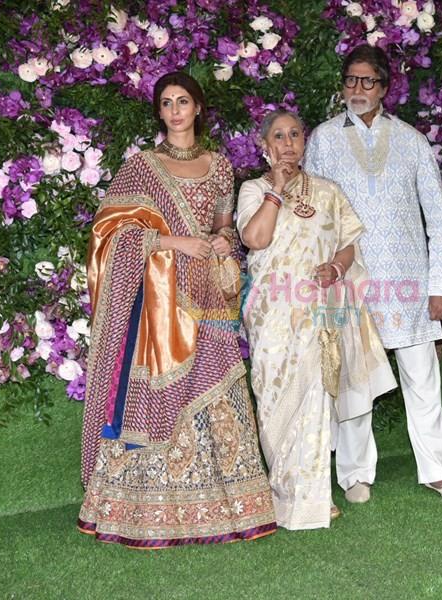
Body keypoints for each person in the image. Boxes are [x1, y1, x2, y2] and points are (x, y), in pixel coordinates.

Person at [78, 71, 276, 548]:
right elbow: (110, 233)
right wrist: (173, 241)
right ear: (159, 112)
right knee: (163, 396)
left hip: (208, 293)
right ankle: (144, 509)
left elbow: (225, 228)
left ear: (198, 107)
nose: (174, 111)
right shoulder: (143, 166)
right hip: (159, 304)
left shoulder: (221, 165)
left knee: (220, 381)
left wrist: (220, 243)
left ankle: (233, 504)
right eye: (165, 103)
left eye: (182, 101)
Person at [304, 45, 442, 503]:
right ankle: (355, 475)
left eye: (367, 81)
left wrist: (441, 288)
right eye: (351, 81)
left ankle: (438, 471)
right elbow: (314, 215)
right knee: (355, 385)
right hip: (350, 281)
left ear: (384, 88)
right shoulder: (321, 139)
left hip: (411, 284)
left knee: (423, 381)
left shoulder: (413, 141)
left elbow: (439, 220)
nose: (357, 90)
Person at [237, 109, 396, 529]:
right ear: (264, 145)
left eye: (295, 134)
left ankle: (312, 496)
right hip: (273, 315)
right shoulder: (253, 189)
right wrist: (277, 189)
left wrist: (337, 270)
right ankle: (282, 491)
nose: (288, 142)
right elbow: (255, 238)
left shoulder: (328, 191)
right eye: (278, 136)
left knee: (314, 400)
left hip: (319, 312)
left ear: (304, 142)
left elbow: (348, 245)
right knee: (273, 400)